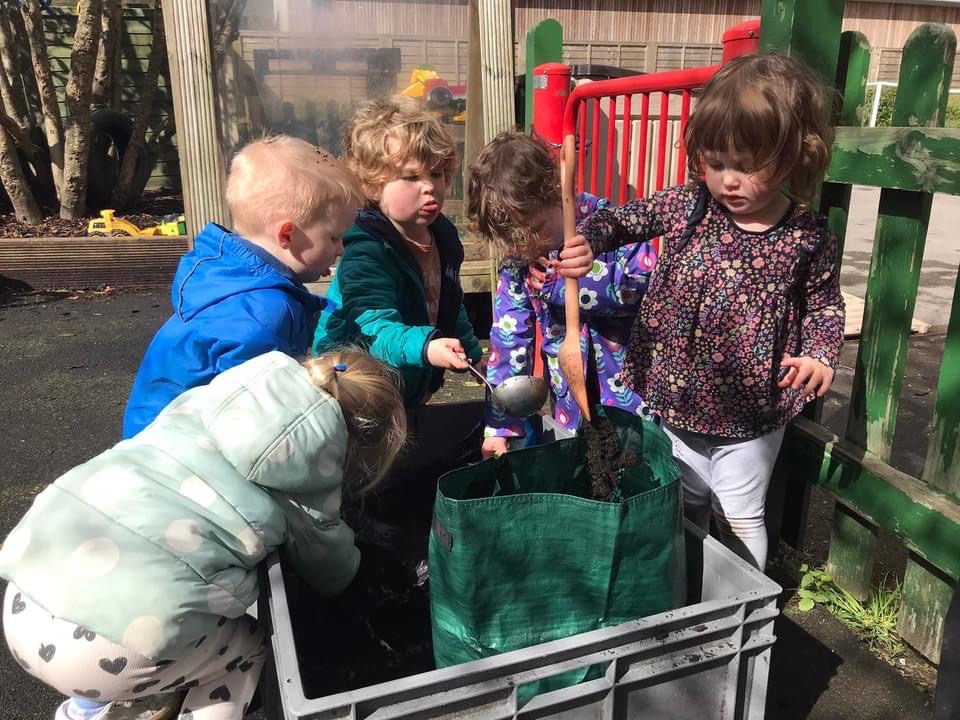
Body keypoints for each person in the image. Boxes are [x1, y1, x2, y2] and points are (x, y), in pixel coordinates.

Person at [0, 349, 406, 720]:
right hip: (111, 651)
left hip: (26, 596)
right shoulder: (308, 484)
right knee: (255, 648)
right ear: (352, 442)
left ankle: (88, 709)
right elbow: (331, 570)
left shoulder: (199, 404)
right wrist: (365, 569)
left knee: (139, 605)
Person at [575, 53, 845, 570]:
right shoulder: (691, 205)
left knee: (738, 513)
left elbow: (824, 305)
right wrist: (590, 240)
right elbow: (626, 219)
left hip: (752, 411)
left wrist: (819, 355)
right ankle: (690, 591)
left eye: (747, 165)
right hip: (677, 397)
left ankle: (744, 598)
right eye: (716, 163)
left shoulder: (807, 238)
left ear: (794, 155)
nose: (728, 181)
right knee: (685, 503)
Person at [312, 97, 594, 409]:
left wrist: (472, 353)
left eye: (436, 174)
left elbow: (449, 303)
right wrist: (426, 347)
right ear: (372, 185)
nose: (429, 187)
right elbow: (372, 328)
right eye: (411, 177)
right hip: (352, 388)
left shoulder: (442, 237)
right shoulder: (368, 250)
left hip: (405, 386)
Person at [122, 135, 363, 439]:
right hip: (177, 445)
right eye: (333, 237)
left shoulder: (232, 277)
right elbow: (255, 415)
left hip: (158, 426)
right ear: (287, 235)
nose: (340, 249)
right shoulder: (262, 312)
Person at [465, 132, 657, 458]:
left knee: (639, 472)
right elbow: (509, 343)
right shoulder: (520, 263)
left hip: (630, 394)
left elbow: (644, 284)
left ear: (557, 192)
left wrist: (573, 284)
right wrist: (500, 426)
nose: (526, 246)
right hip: (570, 401)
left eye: (533, 229)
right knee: (582, 466)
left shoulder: (608, 225)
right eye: (513, 239)